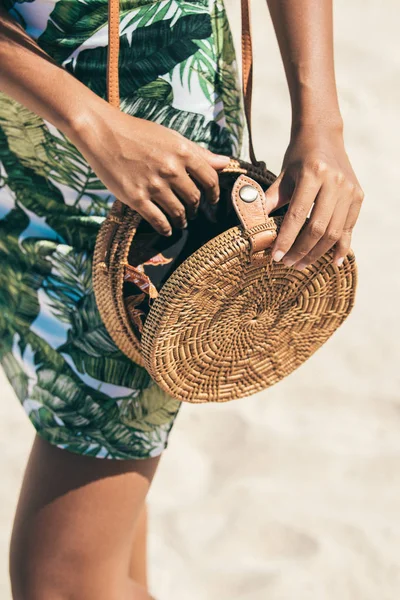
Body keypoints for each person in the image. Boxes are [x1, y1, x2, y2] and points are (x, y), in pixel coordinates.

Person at [0, 0, 364, 598]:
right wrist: (88, 122)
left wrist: (321, 120)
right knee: (109, 563)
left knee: (60, 579)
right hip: (24, 149)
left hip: (161, 168)